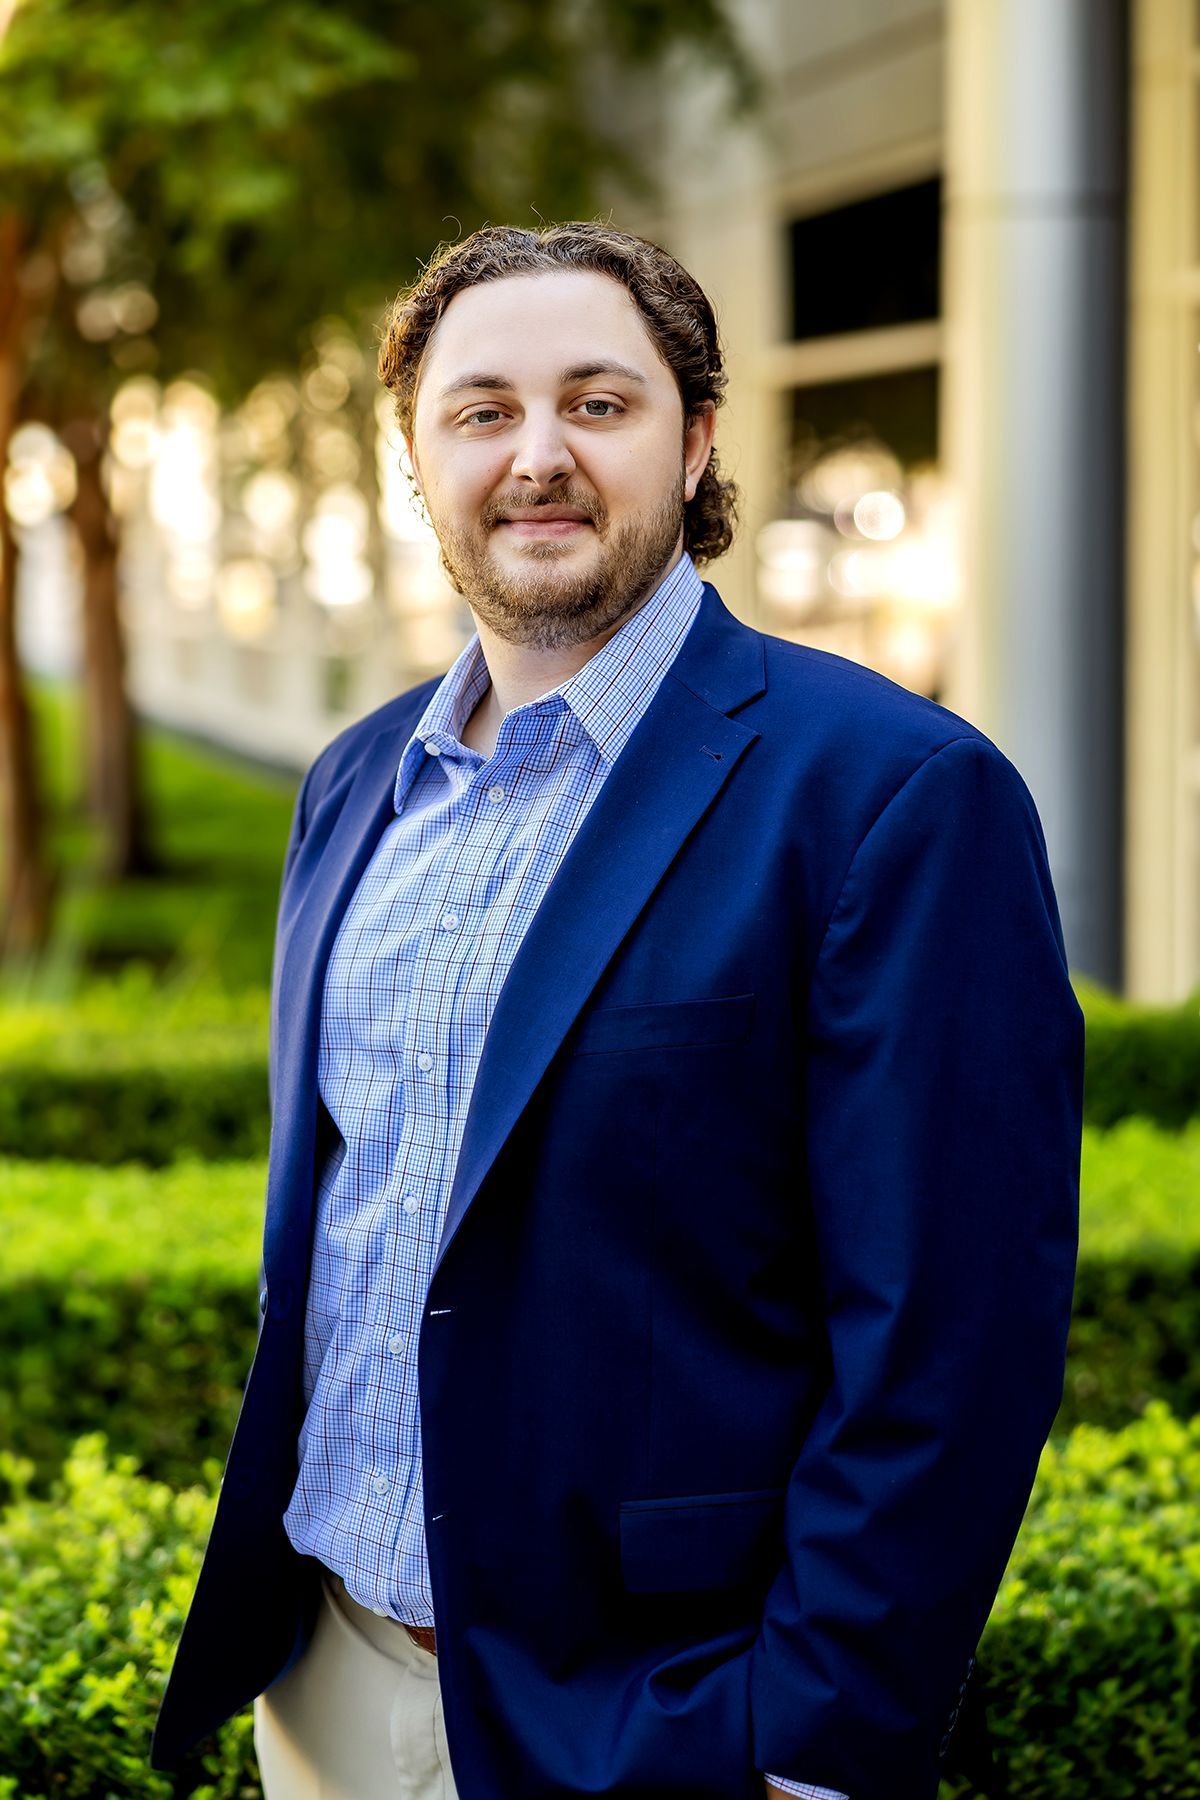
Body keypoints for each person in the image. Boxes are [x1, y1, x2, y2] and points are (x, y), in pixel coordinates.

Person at [150, 220, 1083, 1800]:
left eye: (599, 403)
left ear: (697, 434)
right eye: (483, 410)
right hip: (324, 1683)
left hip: (653, 1721)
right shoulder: (356, 783)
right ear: (417, 455)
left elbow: (949, 1341)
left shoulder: (894, 797)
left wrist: (813, 1751)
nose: (539, 457)